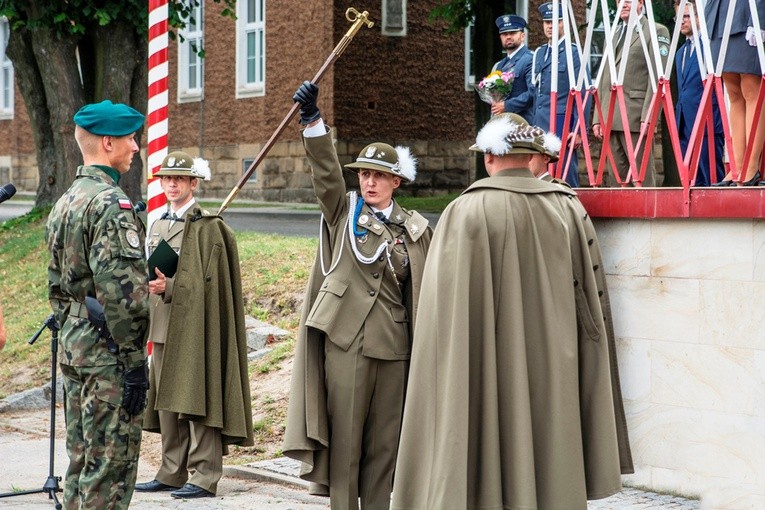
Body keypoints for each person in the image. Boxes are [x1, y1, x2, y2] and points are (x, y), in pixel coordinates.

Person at [390, 113, 633, 510]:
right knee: (549, 460)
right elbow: (592, 310)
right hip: (553, 373)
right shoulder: (567, 210)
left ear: (489, 157)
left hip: (480, 373)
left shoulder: (462, 213)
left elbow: (441, 325)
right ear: (531, 157)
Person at [283, 80, 433, 510]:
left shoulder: (415, 228)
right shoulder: (343, 211)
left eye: (378, 175)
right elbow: (326, 174)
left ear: (395, 181)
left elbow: (420, 291)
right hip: (344, 341)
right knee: (345, 446)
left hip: (394, 346)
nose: (369, 182)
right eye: (364, 174)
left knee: (385, 449)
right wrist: (313, 121)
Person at [46, 100, 150, 510]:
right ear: (108, 142)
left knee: (82, 460)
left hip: (76, 346)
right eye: (130, 138)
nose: (136, 147)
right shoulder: (110, 203)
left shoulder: (66, 200)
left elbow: (57, 286)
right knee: (110, 467)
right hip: (109, 355)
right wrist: (134, 360)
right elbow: (124, 297)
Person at [136, 151, 254, 499]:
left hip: (196, 326)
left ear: (193, 183)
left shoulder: (209, 228)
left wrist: (170, 287)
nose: (171, 184)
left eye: (179, 179)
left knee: (196, 397)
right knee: (167, 401)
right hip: (162, 323)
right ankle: (172, 470)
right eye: (166, 179)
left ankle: (204, 474)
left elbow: (212, 285)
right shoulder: (158, 224)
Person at [592, 0, 670, 186]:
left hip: (636, 116)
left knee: (641, 179)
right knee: (616, 179)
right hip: (611, 116)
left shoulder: (655, 31)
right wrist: (598, 117)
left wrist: (649, 116)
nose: (623, 5)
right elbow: (604, 77)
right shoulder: (614, 34)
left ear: (641, 3)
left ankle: (645, 215)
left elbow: (657, 79)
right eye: (619, 1)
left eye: (628, 0)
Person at [705, 0, 765, 186]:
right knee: (733, 92)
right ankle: (738, 165)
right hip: (719, 15)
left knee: (751, 87)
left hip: (747, 11)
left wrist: (761, 19)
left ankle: (751, 166)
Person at [532, 1, 591, 187]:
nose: (550, 26)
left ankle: (570, 213)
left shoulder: (574, 53)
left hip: (562, 124)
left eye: (556, 21)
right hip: (540, 124)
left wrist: (579, 131)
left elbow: (584, 93)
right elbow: (536, 93)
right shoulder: (540, 53)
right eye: (546, 22)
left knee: (564, 176)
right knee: (539, 176)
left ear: (564, 23)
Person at [675, 0, 725, 186]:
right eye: (678, 17)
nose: (682, 21)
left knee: (711, 175)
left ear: (698, 17)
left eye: (686, 16)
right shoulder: (680, 52)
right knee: (690, 180)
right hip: (684, 122)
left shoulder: (711, 46)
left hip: (707, 120)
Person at [490, 14, 535, 122]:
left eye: (513, 33)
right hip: (503, 122)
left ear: (522, 36)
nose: (508, 37)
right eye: (504, 34)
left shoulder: (530, 59)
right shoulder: (499, 65)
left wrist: (506, 105)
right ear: (500, 37)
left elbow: (533, 93)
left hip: (523, 123)